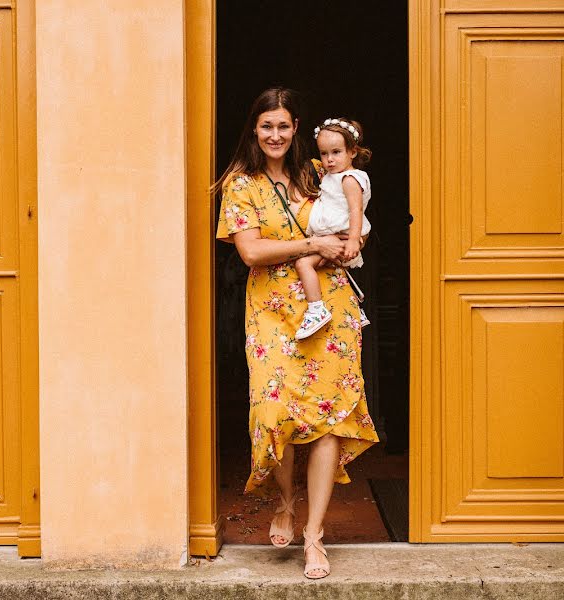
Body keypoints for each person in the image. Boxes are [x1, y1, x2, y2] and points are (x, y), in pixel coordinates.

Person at [215, 88, 379, 580]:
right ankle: (285, 501)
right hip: (270, 311)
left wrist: (351, 242)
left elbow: (359, 219)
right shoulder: (240, 185)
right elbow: (250, 252)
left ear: (295, 127)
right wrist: (312, 243)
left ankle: (314, 535)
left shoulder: (317, 172)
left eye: (284, 126)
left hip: (328, 309)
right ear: (254, 129)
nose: (275, 135)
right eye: (267, 126)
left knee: (328, 418)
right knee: (276, 411)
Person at [294, 118, 373, 340]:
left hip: (342, 236)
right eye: (324, 153)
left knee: (303, 263)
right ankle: (357, 308)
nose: (329, 160)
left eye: (336, 152)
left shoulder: (349, 179)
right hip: (333, 236)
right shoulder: (333, 175)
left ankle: (316, 309)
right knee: (329, 269)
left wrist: (352, 239)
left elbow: (356, 210)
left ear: (353, 152)